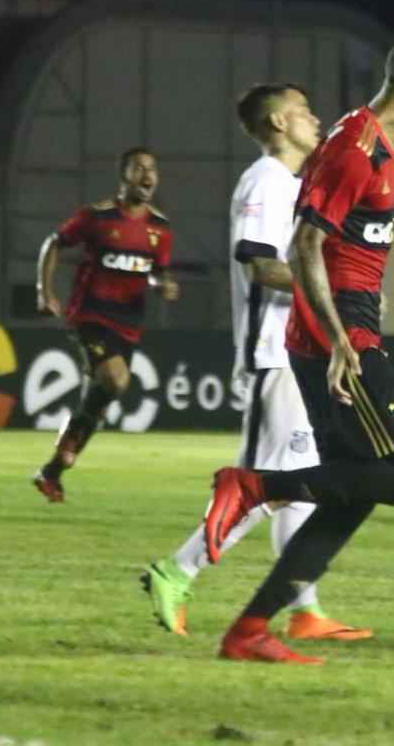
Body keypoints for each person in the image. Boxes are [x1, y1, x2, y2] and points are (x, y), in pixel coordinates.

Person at [200, 31, 394, 664]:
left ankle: (250, 630)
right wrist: (343, 342)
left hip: (340, 330)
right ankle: (255, 485)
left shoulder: (375, 146)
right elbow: (303, 248)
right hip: (341, 336)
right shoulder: (355, 149)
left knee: (355, 489)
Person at [141, 84, 370, 643]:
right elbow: (260, 265)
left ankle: (305, 609)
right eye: (304, 111)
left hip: (295, 353)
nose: (316, 119)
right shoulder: (267, 181)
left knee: (298, 479)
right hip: (276, 354)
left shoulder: (290, 184)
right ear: (277, 121)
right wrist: (331, 288)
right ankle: (176, 570)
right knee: (267, 487)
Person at [33, 148, 179, 502]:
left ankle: (54, 469)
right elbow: (54, 243)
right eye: (138, 168)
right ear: (124, 176)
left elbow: (157, 273)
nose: (147, 175)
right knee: (115, 379)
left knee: (103, 395)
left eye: (152, 169)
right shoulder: (96, 217)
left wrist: (164, 285)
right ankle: (66, 449)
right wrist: (44, 291)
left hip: (129, 324)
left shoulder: (160, 228)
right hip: (90, 315)